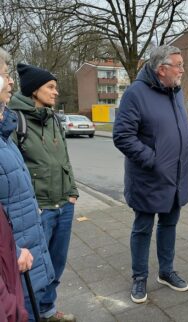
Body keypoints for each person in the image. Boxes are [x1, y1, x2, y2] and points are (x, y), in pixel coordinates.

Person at [113, 45, 188, 303]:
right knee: (143, 227)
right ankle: (139, 277)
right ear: (162, 69)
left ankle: (166, 271)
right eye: (179, 65)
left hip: (176, 176)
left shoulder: (176, 92)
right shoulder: (135, 94)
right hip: (148, 177)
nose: (183, 70)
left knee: (169, 223)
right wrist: (153, 160)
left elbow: (180, 122)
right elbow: (122, 136)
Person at [9, 63, 78, 321]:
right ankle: (30, 314)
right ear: (34, 90)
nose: (55, 92)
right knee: (33, 270)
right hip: (38, 209)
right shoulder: (15, 121)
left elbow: (65, 159)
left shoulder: (53, 119)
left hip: (64, 203)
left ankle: (48, 309)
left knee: (56, 264)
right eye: (50, 87)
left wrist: (72, 192)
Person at [0, 47, 54, 322]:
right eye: (5, 75)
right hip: (12, 262)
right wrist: (11, 250)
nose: (10, 82)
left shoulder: (4, 131)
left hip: (24, 253)